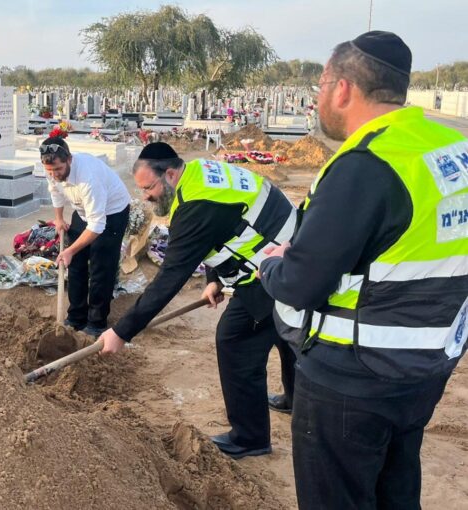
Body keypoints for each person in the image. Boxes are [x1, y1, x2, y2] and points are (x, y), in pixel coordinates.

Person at [259, 31, 468, 510]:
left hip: (351, 378)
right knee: (395, 491)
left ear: (343, 88)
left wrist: (272, 266)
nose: (316, 100)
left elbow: (301, 284)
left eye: (319, 86)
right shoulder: (446, 147)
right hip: (423, 366)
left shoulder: (366, 164)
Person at [98, 142, 298, 459]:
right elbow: (223, 226)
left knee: (235, 341)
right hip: (292, 254)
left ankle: (250, 438)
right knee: (288, 330)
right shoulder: (201, 172)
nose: (146, 197)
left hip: (273, 271)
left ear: (172, 174)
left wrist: (122, 331)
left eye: (149, 187)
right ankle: (295, 398)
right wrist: (215, 279)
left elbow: (170, 278)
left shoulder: (194, 205)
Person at [40, 137, 130, 337]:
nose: (54, 175)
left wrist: (70, 249)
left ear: (69, 160)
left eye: (58, 170)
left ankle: (96, 322)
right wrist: (58, 218)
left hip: (111, 213)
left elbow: (97, 225)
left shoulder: (89, 178)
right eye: (50, 171)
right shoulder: (52, 170)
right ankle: (76, 316)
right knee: (76, 264)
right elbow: (55, 191)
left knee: (100, 266)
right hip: (83, 212)